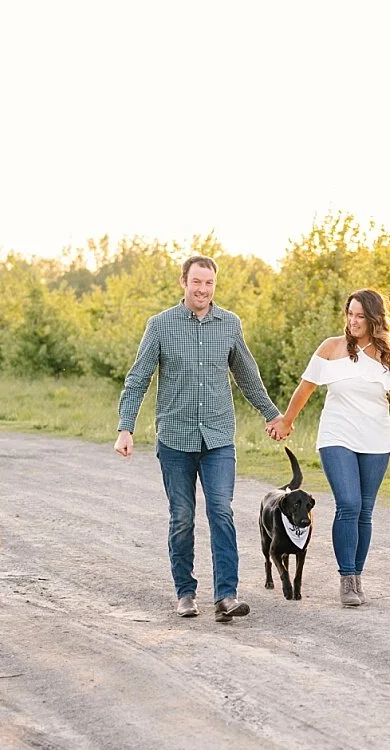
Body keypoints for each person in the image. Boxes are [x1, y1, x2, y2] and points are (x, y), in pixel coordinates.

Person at [114, 255, 287, 623]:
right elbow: (138, 377)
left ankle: (226, 595)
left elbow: (247, 375)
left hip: (219, 437)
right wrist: (125, 427)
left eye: (209, 284)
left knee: (221, 511)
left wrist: (273, 414)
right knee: (182, 518)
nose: (202, 290)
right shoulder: (160, 325)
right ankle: (186, 593)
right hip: (175, 440)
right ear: (183, 282)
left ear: (214, 285)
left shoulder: (229, 324)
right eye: (196, 282)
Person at [278, 289, 390, 607]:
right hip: (336, 436)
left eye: (360, 316)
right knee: (349, 504)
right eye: (349, 314)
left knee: (364, 511)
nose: (353, 321)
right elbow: (306, 387)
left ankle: (357, 578)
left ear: (374, 319)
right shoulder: (331, 348)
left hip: (375, 440)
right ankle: (346, 579)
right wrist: (286, 420)